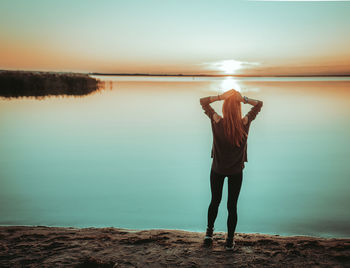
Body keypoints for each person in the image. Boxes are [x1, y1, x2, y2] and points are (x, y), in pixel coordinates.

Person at [199, 89, 263, 250]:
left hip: (218, 170)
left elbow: (203, 102)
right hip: (235, 172)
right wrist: (244, 99)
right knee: (232, 206)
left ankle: (208, 234)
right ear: (238, 108)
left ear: (224, 108)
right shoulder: (244, 123)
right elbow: (259, 105)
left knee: (215, 201)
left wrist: (221, 97)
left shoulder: (217, 121)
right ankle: (229, 241)